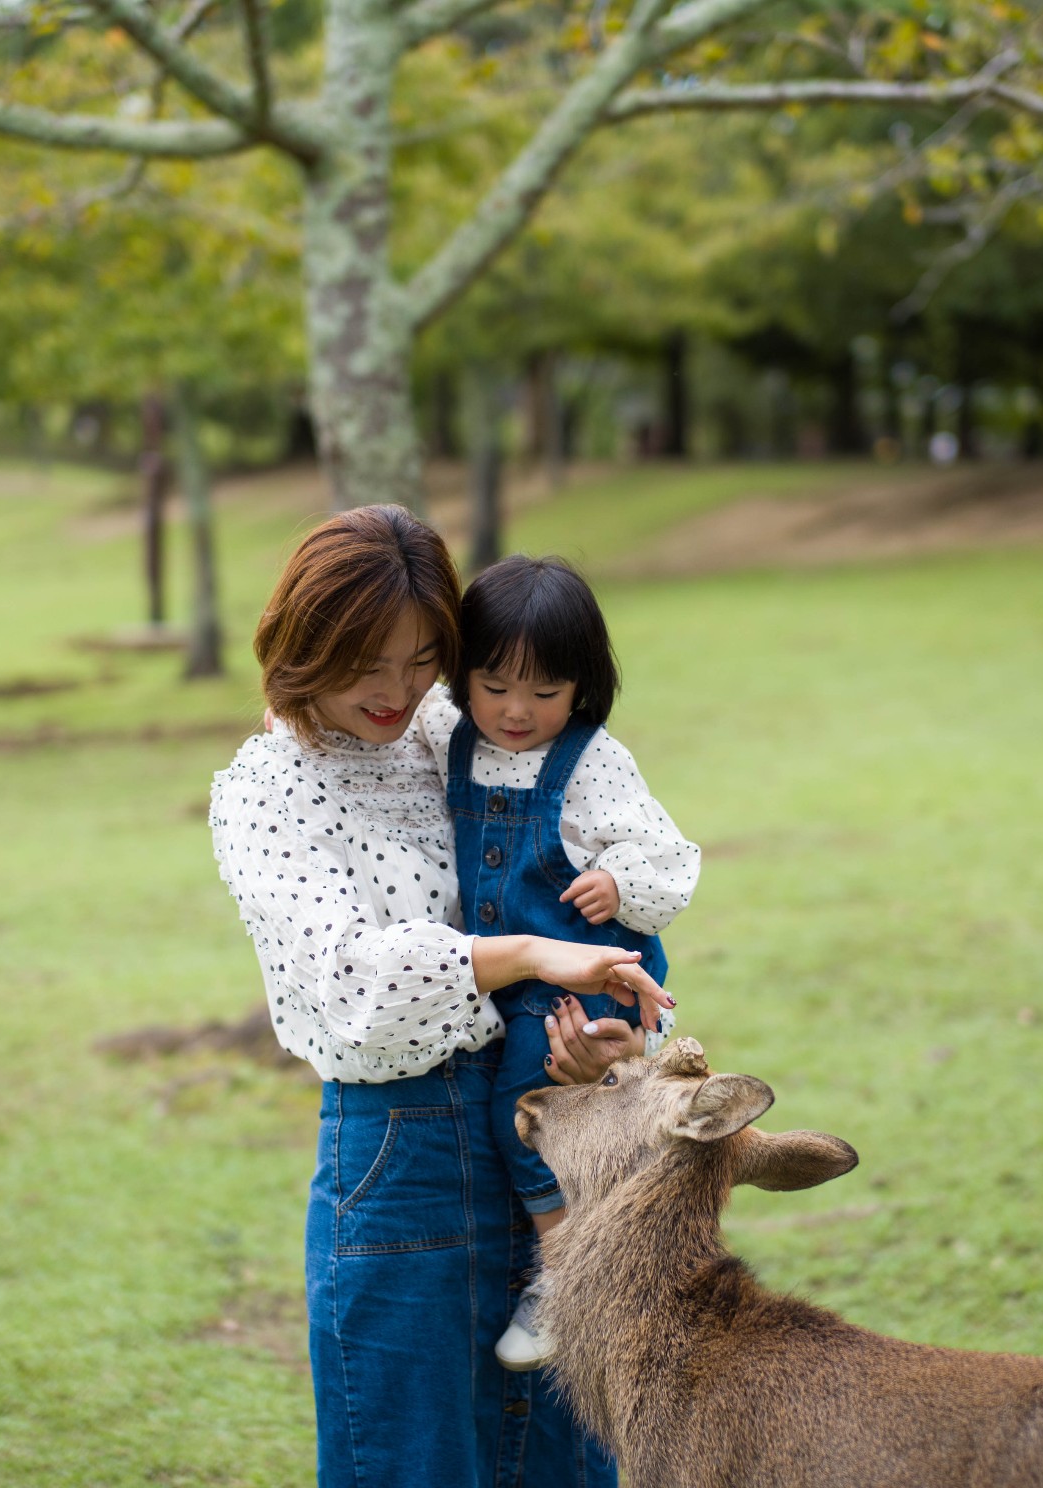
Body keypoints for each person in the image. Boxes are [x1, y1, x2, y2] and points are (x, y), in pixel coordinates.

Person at [210, 505, 659, 1488]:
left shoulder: (458, 736)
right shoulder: (266, 791)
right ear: (303, 639)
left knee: (561, 1461)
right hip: (397, 1160)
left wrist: (597, 1043)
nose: (396, 689)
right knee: (410, 1464)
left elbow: (586, 874)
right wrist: (535, 952)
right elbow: (354, 985)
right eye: (365, 660)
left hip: (544, 1131)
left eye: (421, 659)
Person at [419, 556, 697, 1371]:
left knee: (525, 1108)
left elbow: (672, 856)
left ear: (582, 689)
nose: (515, 711)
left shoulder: (594, 760)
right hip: (512, 974)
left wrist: (622, 881)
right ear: (464, 673)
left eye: (544, 693)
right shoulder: (451, 736)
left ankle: (568, 1272)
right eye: (495, 685)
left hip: (591, 977)